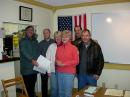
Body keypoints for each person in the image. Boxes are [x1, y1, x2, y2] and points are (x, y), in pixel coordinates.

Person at [56, 30, 79, 97]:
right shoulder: (58, 48)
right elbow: (56, 59)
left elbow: (76, 61)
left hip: (69, 73)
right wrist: (56, 61)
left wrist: (64, 64)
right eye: (63, 36)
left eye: (67, 36)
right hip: (59, 72)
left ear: (70, 38)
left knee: (67, 92)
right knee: (60, 92)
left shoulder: (74, 48)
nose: (64, 38)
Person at [19, 26, 39, 97]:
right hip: (26, 69)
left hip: (35, 68)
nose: (31, 31)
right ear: (26, 31)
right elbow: (24, 52)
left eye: (32, 30)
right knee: (28, 87)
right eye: (29, 30)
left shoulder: (35, 41)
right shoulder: (22, 41)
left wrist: (41, 61)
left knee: (33, 85)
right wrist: (32, 60)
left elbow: (38, 52)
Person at [38, 28, 54, 97]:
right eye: (44, 33)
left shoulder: (54, 42)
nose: (45, 34)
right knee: (44, 83)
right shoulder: (40, 43)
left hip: (52, 65)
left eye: (46, 33)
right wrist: (40, 68)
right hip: (43, 65)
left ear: (49, 33)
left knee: (54, 83)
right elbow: (38, 55)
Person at [46, 31, 62, 97]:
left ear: (61, 37)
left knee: (61, 88)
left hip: (62, 72)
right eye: (56, 37)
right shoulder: (51, 46)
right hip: (53, 71)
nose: (57, 38)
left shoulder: (65, 46)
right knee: (54, 88)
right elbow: (47, 59)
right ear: (54, 38)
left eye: (59, 36)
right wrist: (48, 71)